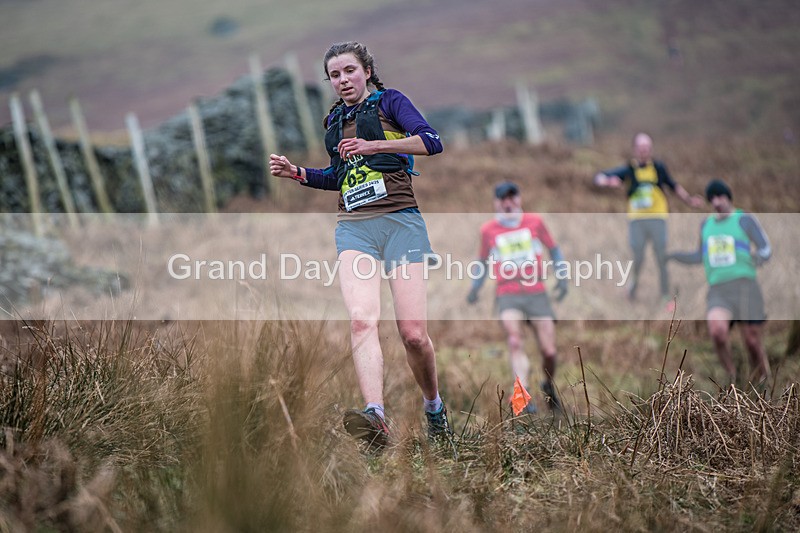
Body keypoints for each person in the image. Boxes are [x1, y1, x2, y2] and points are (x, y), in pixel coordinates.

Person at [268, 41, 450, 450]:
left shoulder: (391, 102)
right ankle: (376, 418)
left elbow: (432, 141)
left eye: (349, 70)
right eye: (334, 75)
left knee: (413, 335)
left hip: (401, 222)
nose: (343, 80)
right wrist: (296, 173)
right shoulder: (333, 119)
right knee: (361, 320)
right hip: (354, 229)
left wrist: (376, 145)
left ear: (366, 71)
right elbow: (337, 176)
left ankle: (435, 409)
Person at [466, 182, 568, 413]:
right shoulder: (488, 230)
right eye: (503, 199)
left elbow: (554, 249)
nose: (508, 203)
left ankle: (547, 385)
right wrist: (474, 289)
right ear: (496, 203)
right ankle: (522, 397)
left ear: (519, 199)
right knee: (514, 341)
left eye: (512, 198)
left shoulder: (535, 222)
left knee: (549, 351)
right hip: (507, 294)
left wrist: (562, 278)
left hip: (537, 293)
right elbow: (481, 263)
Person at [668, 179, 772, 387]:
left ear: (728, 197)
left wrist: (758, 258)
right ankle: (733, 379)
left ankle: (764, 382)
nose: (716, 202)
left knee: (752, 341)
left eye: (719, 197)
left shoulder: (744, 220)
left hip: (745, 287)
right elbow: (700, 256)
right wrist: (673, 256)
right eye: (712, 199)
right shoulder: (706, 225)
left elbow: (765, 248)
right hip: (718, 290)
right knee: (717, 331)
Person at [594, 133, 704, 307]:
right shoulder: (629, 170)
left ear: (651, 150)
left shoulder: (659, 168)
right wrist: (608, 182)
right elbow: (599, 177)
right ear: (635, 150)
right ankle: (632, 289)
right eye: (641, 148)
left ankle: (665, 296)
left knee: (661, 257)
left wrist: (689, 200)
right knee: (638, 257)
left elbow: (673, 185)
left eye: (647, 149)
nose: (644, 152)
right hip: (637, 221)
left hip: (657, 219)